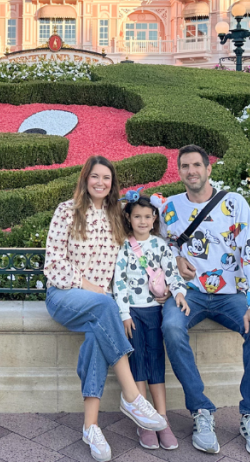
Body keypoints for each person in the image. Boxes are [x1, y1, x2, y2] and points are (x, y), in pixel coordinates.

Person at [44, 156, 168, 462]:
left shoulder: (117, 216)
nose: (101, 182)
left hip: (103, 307)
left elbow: (141, 242)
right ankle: (132, 396)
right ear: (86, 178)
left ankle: (91, 427)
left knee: (96, 339)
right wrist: (89, 286)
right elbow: (53, 263)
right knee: (103, 305)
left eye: (107, 178)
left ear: (112, 184)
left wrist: (172, 268)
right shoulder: (67, 211)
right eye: (95, 176)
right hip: (65, 295)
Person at [159, 145, 250, 457]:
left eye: (197, 165)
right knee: (170, 326)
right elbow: (158, 248)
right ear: (179, 171)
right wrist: (176, 260)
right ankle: (201, 410)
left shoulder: (234, 204)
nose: (191, 171)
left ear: (209, 169)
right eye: (185, 166)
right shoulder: (169, 208)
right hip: (190, 294)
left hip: (230, 296)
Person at [114, 190, 190, 451]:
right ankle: (145, 421)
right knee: (138, 363)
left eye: (148, 216)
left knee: (156, 361)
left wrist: (179, 293)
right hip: (132, 314)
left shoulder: (160, 245)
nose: (143, 221)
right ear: (129, 218)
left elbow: (172, 273)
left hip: (154, 312)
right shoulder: (123, 246)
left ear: (154, 217)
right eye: (138, 216)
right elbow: (119, 282)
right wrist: (123, 314)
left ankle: (162, 418)